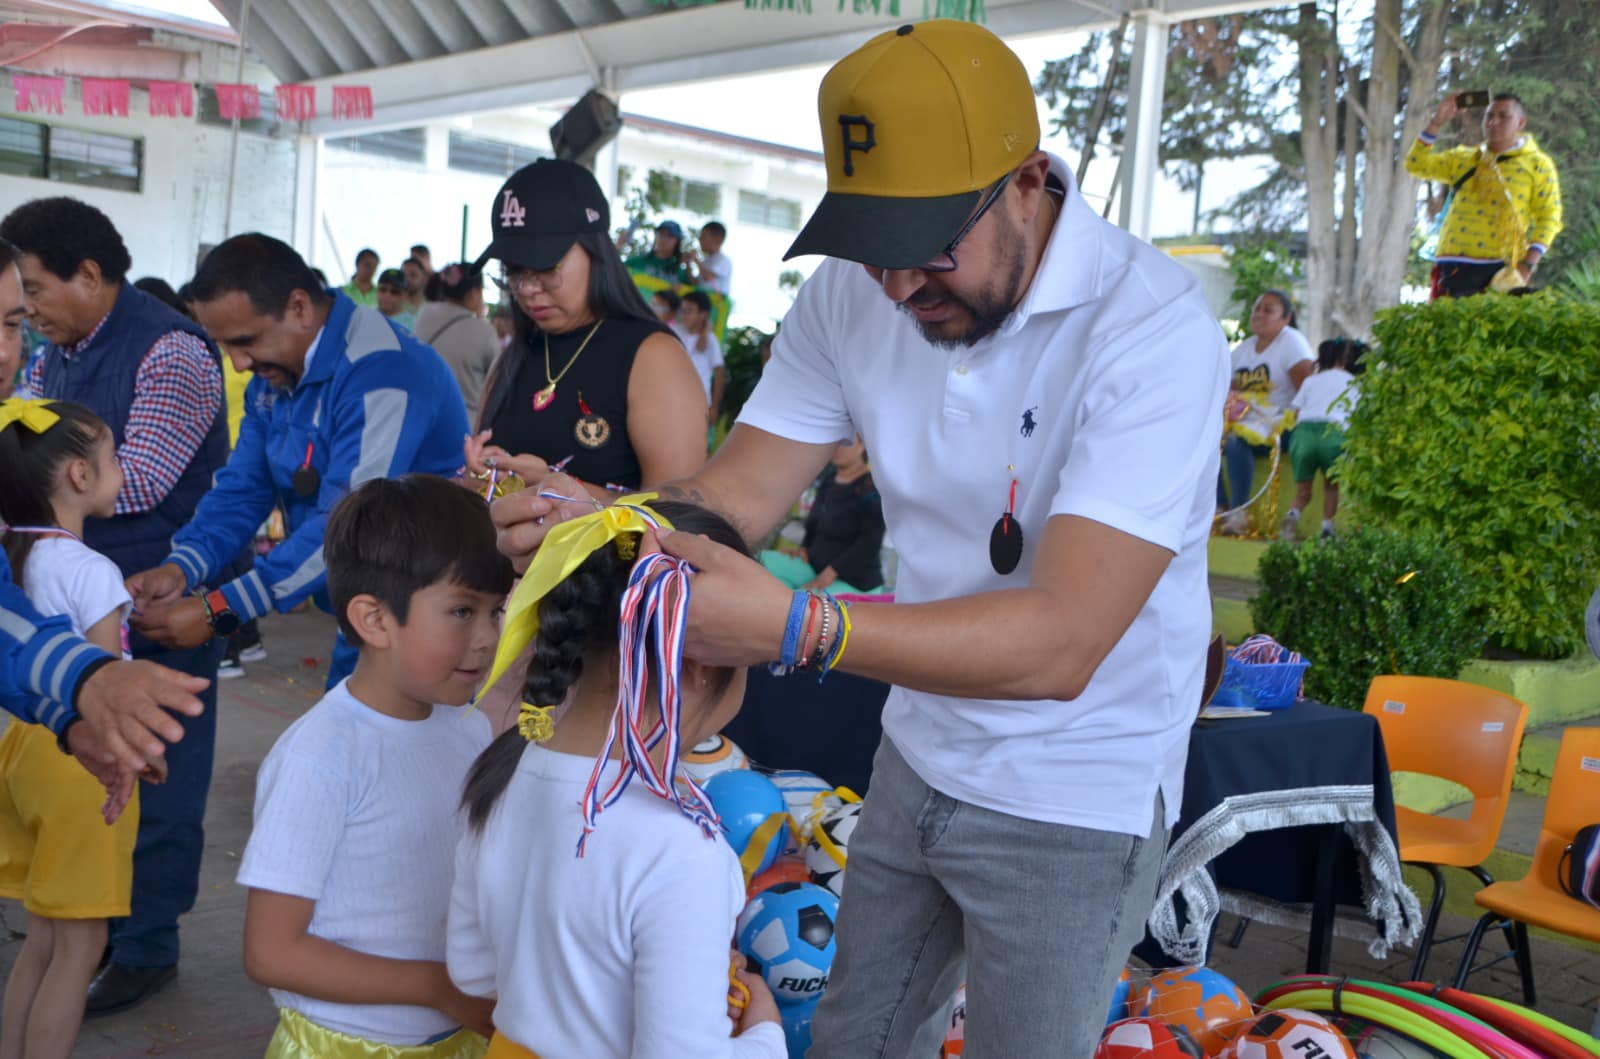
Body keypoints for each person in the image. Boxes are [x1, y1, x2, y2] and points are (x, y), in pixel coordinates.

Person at [488, 21, 1227, 1059]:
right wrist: (591, 520)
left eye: (925, 247)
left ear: (1027, 180)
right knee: (851, 1038)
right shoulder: (853, 293)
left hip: (1078, 790)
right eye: (870, 249)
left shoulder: (1150, 330)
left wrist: (800, 627)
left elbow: (1064, 642)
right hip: (918, 751)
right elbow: (736, 492)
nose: (895, 288)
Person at [448, 497, 783, 1058]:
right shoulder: (681, 848)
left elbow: (472, 970)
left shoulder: (502, 774)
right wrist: (765, 1032)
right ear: (699, 666)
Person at [0, 197, 230, 1013]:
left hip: (148, 598)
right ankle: (76, 923)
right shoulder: (54, 352)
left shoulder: (170, 348)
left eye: (31, 292)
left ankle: (143, 946)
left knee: (157, 777)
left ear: (89, 276)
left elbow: (143, 479)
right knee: (76, 776)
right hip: (65, 594)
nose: (25, 316)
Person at [124, 233, 469, 689]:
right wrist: (182, 567)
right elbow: (242, 488)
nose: (239, 363)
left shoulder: (384, 371)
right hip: (365, 601)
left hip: (423, 614)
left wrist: (221, 612)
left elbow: (349, 524)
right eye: (226, 346)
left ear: (300, 308)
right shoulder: (275, 375)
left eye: (245, 342)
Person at [240, 475, 505, 1059]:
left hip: (457, 1034)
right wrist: (439, 988)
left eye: (497, 611)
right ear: (375, 620)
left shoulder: (469, 727)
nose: (488, 638)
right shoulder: (320, 758)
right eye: (463, 611)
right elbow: (271, 952)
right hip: (348, 1045)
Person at [0, 235, 206, 786]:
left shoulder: (173, 349)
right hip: (85, 723)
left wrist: (212, 600)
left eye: (16, 318)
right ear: (80, 476)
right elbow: (104, 673)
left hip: (45, 719)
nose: (9, 348)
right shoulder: (90, 569)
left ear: (89, 276)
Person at [0, 398, 141, 1059]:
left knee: (41, 939)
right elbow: (106, 686)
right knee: (80, 950)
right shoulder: (93, 570)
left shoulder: (16, 556)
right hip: (82, 760)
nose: (121, 470)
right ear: (80, 477)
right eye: (112, 458)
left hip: (26, 749)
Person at [465, 160, 707, 498]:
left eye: (546, 267)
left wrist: (564, 492)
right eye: (513, 271)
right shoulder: (513, 357)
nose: (527, 288)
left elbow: (683, 516)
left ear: (596, 251)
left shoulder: (652, 357)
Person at [1406, 92, 1563, 298]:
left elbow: (1549, 217)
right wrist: (1437, 122)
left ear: (1520, 122)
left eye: (1503, 116)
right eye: (1489, 116)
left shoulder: (1537, 164)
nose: (1493, 122)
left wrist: (1527, 265)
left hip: (1499, 270)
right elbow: (1415, 164)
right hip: (1451, 265)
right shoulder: (1463, 158)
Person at [1216, 290, 1313, 536]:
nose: (1259, 314)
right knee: (1208, 440)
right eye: (1257, 308)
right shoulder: (1244, 349)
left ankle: (1239, 513)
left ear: (1285, 319)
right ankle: (1218, 507)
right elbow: (1223, 387)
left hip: (1283, 425)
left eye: (1268, 310)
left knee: (1237, 443)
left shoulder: (1291, 343)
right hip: (1247, 422)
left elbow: (1308, 388)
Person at [760, 437, 884, 594]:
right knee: (757, 563)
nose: (837, 448)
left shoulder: (871, 487)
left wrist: (830, 574)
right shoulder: (829, 480)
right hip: (813, 567)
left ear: (862, 446)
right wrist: (803, 549)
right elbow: (814, 524)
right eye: (835, 442)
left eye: (846, 443)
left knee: (798, 602)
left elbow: (870, 542)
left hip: (853, 581)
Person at [1280, 338, 1363, 542]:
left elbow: (1296, 412)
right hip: (1334, 435)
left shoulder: (1311, 380)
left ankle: (1292, 516)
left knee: (1303, 490)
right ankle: (1327, 528)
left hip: (1303, 435)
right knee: (1331, 486)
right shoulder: (1356, 383)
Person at [415, 264, 500, 427]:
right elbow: (497, 378)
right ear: (473, 294)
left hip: (424, 417)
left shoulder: (424, 313)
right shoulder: (484, 331)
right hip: (465, 423)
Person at [678, 290, 726, 417]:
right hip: (675, 400)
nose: (683, 315)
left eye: (688, 311)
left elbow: (720, 373)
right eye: (682, 310)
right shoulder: (677, 333)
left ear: (703, 314)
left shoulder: (710, 339)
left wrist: (714, 406)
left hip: (698, 404)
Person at [624, 221, 692, 286]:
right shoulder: (636, 262)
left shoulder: (682, 273)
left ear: (677, 242)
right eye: (661, 234)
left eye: (670, 236)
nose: (664, 239)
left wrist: (688, 265)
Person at [691, 221, 733, 296]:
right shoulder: (705, 260)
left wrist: (696, 261)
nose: (700, 240)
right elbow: (696, 283)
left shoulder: (724, 261)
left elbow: (708, 277)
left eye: (703, 236)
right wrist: (688, 264)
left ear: (718, 239)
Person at [376, 267, 417, 332]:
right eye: (383, 289)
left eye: (394, 292)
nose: (387, 295)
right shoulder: (365, 317)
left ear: (405, 296)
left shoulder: (413, 326)